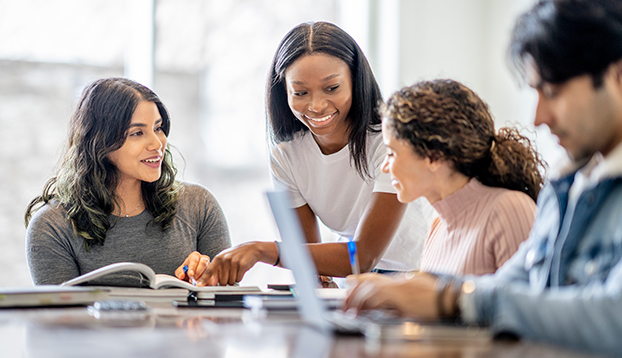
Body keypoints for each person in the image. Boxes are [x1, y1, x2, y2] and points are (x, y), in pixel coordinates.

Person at [344, 0, 622, 356]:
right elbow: (509, 288)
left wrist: (450, 298)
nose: (538, 117)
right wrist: (412, 290)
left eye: (553, 92)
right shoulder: (568, 186)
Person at [183, 21, 434, 286]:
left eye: (332, 88)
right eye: (300, 92)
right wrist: (316, 278)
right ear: (284, 92)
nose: (316, 106)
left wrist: (261, 250)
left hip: (415, 278)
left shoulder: (387, 143)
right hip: (357, 282)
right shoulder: (287, 157)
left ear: (355, 79)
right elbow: (307, 258)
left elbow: (363, 255)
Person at [25, 77, 231, 286]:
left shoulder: (199, 205)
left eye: (158, 128)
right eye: (137, 133)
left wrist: (204, 284)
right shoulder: (52, 226)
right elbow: (58, 315)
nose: (157, 143)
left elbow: (229, 308)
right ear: (100, 141)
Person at [381, 79, 544, 276]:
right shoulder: (438, 226)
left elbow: (523, 303)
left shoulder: (510, 209)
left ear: (434, 156)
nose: (384, 167)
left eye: (391, 153)